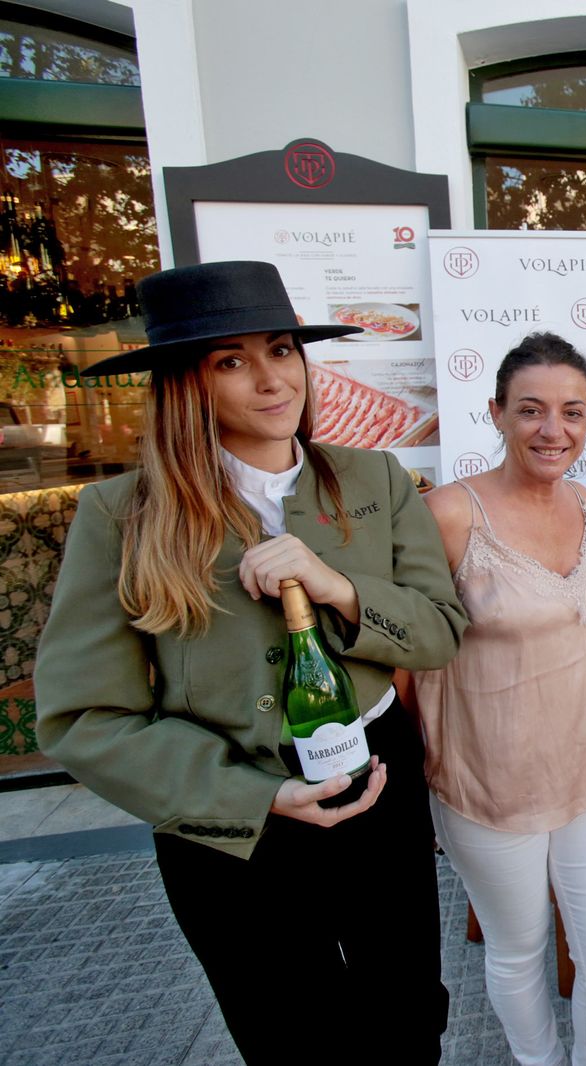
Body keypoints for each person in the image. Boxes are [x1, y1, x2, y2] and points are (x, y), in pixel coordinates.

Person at [34, 261, 468, 1065]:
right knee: (291, 1036)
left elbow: (440, 630)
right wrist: (259, 795)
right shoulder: (123, 516)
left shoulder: (372, 477)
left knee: (408, 1016)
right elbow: (83, 718)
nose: (273, 380)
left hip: (376, 788)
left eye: (281, 350)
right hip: (234, 827)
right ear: (184, 386)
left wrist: (339, 587)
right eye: (231, 361)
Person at [408, 333, 586, 1066]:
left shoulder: (584, 499)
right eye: (531, 410)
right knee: (518, 949)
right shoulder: (448, 514)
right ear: (497, 413)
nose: (553, 429)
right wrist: (429, 766)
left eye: (572, 412)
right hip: (490, 782)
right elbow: (406, 658)